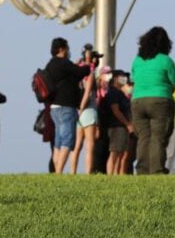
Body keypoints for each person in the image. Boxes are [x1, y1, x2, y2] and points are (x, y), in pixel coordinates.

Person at [130, 26, 175, 174]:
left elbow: (133, 79)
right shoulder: (166, 60)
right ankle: (157, 170)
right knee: (158, 137)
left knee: (143, 137)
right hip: (160, 100)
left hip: (138, 101)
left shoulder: (137, 60)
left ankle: (142, 170)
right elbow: (174, 82)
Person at [45, 37, 93, 174]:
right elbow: (81, 72)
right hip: (66, 106)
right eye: (67, 48)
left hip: (54, 107)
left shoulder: (51, 65)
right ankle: (59, 172)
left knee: (58, 142)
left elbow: (72, 76)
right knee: (67, 140)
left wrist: (77, 66)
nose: (68, 51)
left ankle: (57, 170)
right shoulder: (63, 63)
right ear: (61, 49)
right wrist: (88, 62)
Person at [70, 44, 103, 174]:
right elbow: (88, 92)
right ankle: (88, 173)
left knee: (77, 145)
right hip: (88, 110)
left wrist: (78, 109)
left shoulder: (76, 70)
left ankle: (72, 172)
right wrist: (82, 108)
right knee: (90, 146)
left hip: (78, 110)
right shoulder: (90, 71)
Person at [102, 69, 134, 175]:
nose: (124, 79)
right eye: (122, 77)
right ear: (115, 78)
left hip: (123, 127)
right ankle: (111, 175)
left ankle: (119, 174)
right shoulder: (113, 92)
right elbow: (115, 110)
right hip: (116, 126)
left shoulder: (121, 93)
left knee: (123, 153)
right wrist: (127, 124)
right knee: (115, 152)